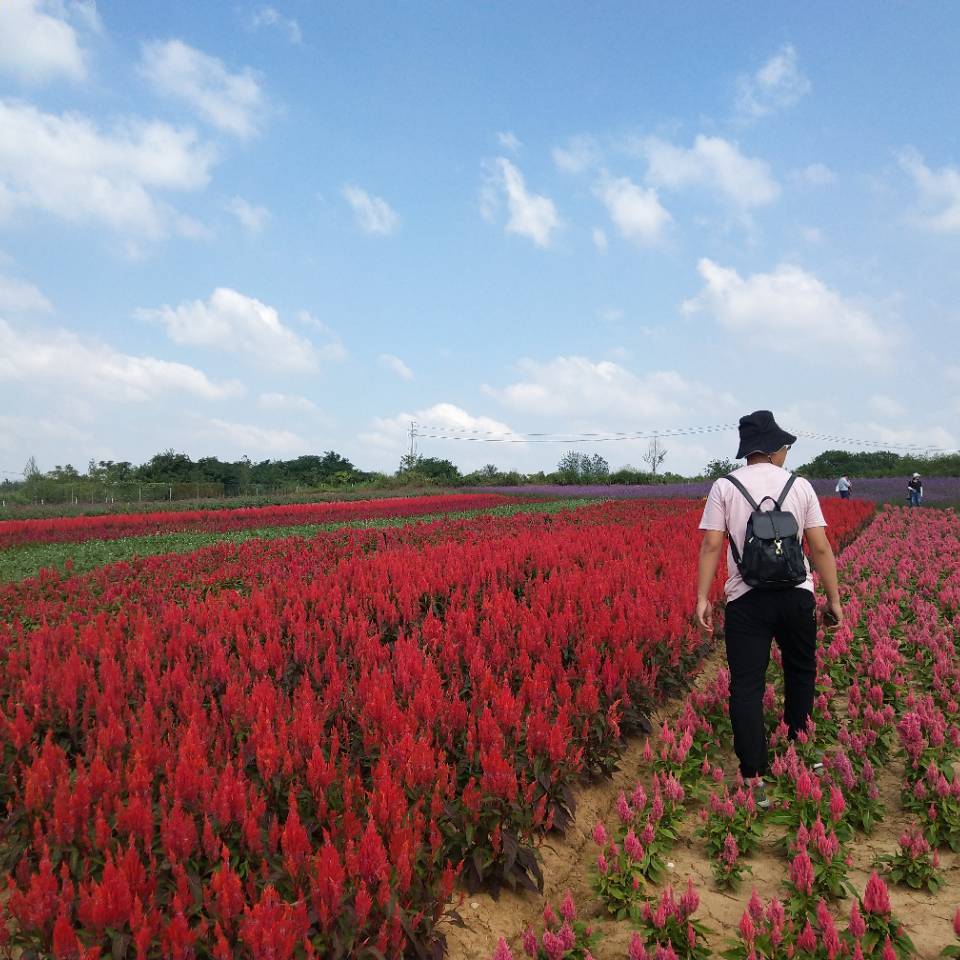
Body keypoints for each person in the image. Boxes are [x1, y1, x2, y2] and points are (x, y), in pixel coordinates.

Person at [695, 410, 843, 798]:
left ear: (748, 449)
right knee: (800, 670)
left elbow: (711, 544)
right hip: (796, 595)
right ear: (775, 448)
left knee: (747, 685)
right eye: (785, 447)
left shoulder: (725, 486)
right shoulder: (800, 486)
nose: (786, 452)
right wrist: (833, 599)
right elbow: (820, 547)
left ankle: (753, 774)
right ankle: (800, 746)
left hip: (746, 599)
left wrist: (702, 598)